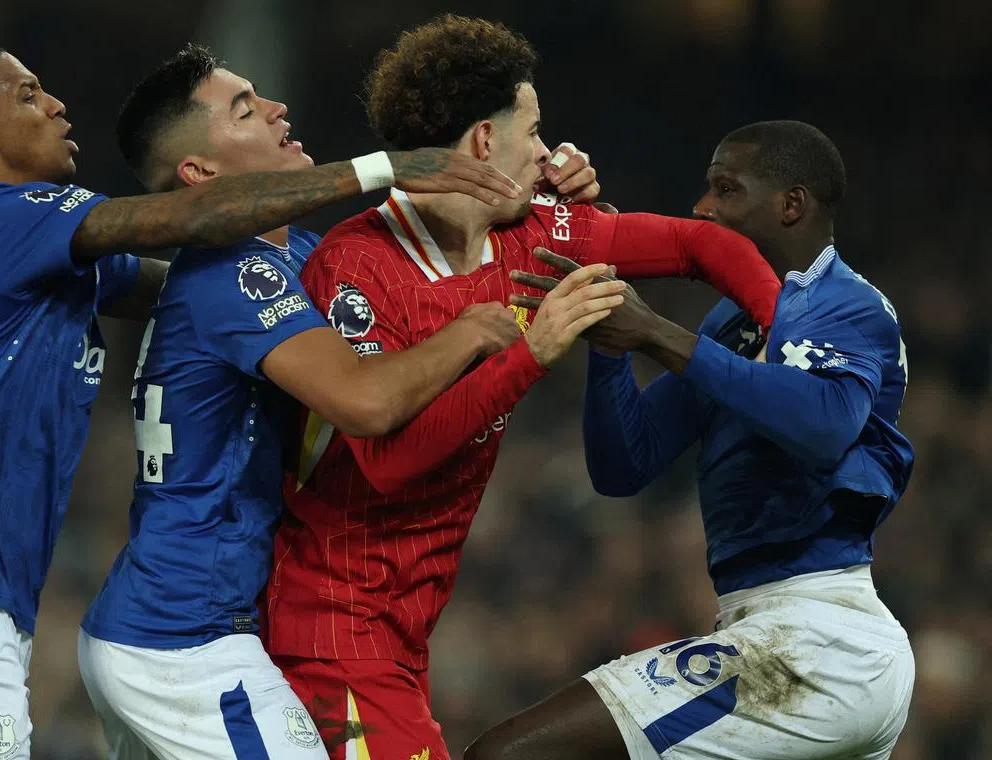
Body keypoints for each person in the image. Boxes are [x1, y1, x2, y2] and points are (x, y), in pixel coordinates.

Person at [0, 45, 520, 760]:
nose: (55, 105)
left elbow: (197, 287)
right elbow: (199, 228)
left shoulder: (45, 254)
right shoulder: (6, 217)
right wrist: (385, 170)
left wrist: (533, 210)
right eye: (26, 95)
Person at [262, 15, 783, 760]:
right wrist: (530, 356)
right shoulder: (356, 269)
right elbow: (386, 461)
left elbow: (699, 244)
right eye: (533, 129)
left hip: (403, 632)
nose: (547, 152)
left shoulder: (532, 235)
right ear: (483, 141)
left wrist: (780, 331)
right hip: (331, 629)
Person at [75, 43, 612, 760]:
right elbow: (365, 403)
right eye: (244, 109)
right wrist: (478, 334)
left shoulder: (292, 257)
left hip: (175, 623)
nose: (277, 109)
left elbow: (425, 255)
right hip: (187, 639)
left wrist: (542, 188)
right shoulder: (237, 276)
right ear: (201, 174)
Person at [467, 121, 915, 760]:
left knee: (508, 753)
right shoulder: (730, 322)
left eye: (726, 189)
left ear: (792, 204)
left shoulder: (846, 304)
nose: (703, 208)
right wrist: (610, 332)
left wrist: (656, 334)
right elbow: (625, 465)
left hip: (822, 641)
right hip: (766, 630)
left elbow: (824, 425)